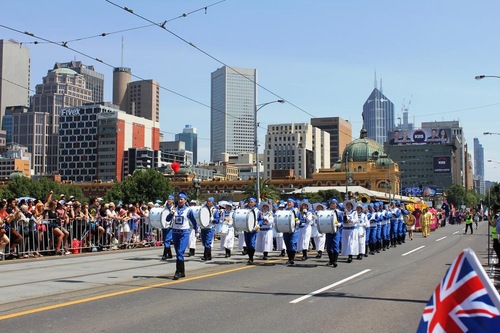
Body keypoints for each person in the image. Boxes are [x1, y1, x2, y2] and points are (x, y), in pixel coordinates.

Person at [166, 192, 198, 280]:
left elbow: (194, 221)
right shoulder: (174, 210)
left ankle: (177, 271)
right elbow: (167, 219)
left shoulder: (188, 210)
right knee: (178, 252)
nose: (180, 201)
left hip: (184, 233)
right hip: (175, 232)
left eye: (182, 199)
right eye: (179, 199)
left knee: (180, 252)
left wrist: (196, 229)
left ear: (185, 200)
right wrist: (171, 214)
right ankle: (182, 271)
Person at [244, 197, 262, 264]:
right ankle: (249, 257)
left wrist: (259, 225)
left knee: (252, 243)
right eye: (249, 202)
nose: (250, 203)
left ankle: (251, 258)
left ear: (254, 203)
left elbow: (260, 220)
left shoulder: (257, 211)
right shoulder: (246, 210)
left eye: (251, 202)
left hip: (254, 229)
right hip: (246, 229)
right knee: (247, 244)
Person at [325, 199, 343, 267]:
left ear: (336, 204)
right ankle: (331, 260)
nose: (332, 204)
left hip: (336, 231)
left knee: (335, 245)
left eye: (334, 203)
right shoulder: (326, 212)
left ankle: (335, 261)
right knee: (329, 246)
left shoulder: (339, 212)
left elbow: (342, 222)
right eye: (331, 203)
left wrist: (339, 224)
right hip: (328, 231)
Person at [283, 198, 299, 266]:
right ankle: (289, 258)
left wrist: (298, 221)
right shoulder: (285, 210)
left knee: (292, 243)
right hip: (286, 229)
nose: (289, 203)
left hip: (294, 230)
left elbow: (300, 219)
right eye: (288, 202)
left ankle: (292, 259)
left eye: (290, 202)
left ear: (293, 203)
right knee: (287, 244)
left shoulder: (296, 210)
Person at [161, 195, 175, 260]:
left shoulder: (174, 208)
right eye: (168, 199)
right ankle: (169, 254)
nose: (169, 200)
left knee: (167, 239)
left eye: (170, 199)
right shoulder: (164, 207)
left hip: (171, 225)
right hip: (164, 225)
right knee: (164, 239)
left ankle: (164, 254)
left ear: (173, 201)